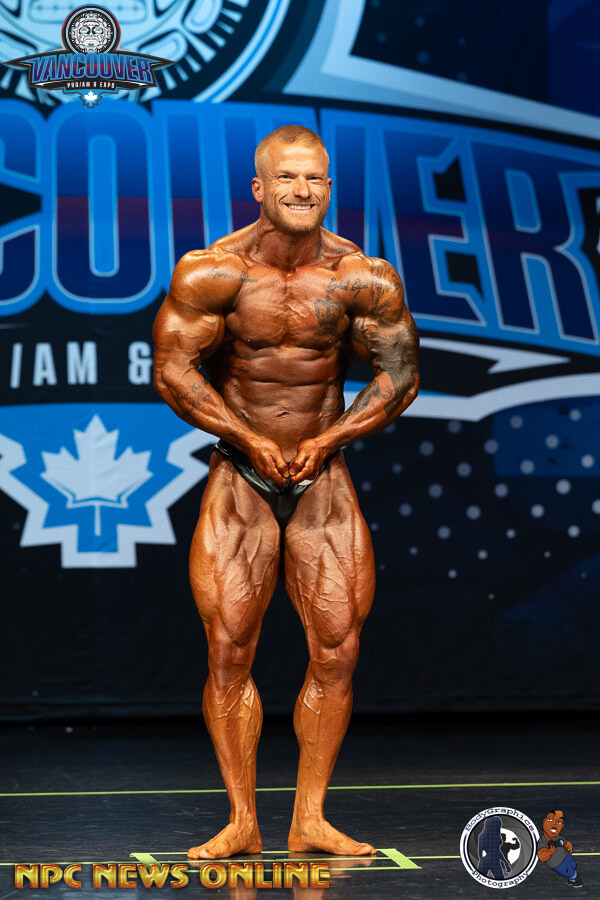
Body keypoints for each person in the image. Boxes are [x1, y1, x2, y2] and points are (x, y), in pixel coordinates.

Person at [153, 125, 419, 859]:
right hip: (240, 476)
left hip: (321, 476)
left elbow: (401, 377)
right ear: (259, 188)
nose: (303, 191)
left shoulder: (364, 278)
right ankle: (242, 819)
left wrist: (327, 441)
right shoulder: (213, 272)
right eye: (288, 178)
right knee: (228, 649)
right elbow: (173, 372)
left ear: (329, 188)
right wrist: (249, 438)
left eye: (315, 180)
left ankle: (311, 819)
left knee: (337, 651)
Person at [537, 810, 583, 888]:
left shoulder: (558, 837)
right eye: (550, 819)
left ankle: (571, 880)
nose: (554, 824)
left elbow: (566, 843)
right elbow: (542, 856)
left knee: (573, 865)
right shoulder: (542, 842)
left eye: (558, 822)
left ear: (562, 826)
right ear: (544, 821)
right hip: (557, 864)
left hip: (566, 856)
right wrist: (549, 852)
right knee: (569, 873)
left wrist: (569, 850)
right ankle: (576, 878)